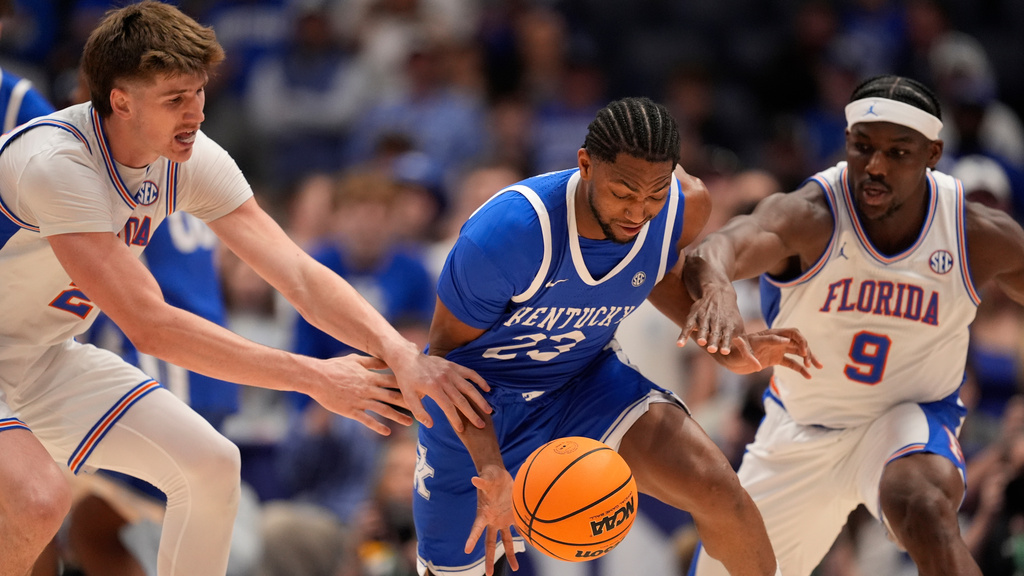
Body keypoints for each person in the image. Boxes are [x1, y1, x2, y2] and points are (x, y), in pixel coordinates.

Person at [0, 3, 492, 575]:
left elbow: (297, 273)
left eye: (199, 93)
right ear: (121, 101)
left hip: (41, 355)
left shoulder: (187, 156)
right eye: (175, 99)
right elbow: (150, 325)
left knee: (210, 466)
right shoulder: (58, 164)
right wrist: (315, 377)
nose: (195, 114)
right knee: (38, 500)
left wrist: (397, 350)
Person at [415, 96, 821, 576]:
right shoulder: (509, 234)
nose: (638, 212)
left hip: (583, 380)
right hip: (483, 403)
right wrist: (489, 465)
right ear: (585, 164)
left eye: (654, 195)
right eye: (624, 193)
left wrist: (727, 346)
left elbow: (654, 271)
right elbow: (445, 362)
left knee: (716, 486)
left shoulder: (684, 204)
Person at [683, 74, 1024, 576]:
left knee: (923, 505)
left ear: (933, 153)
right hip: (798, 429)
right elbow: (716, 249)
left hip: (907, 420)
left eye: (898, 152)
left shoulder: (972, 233)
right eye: (863, 147)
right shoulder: (811, 215)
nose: (876, 167)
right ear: (846, 141)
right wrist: (718, 290)